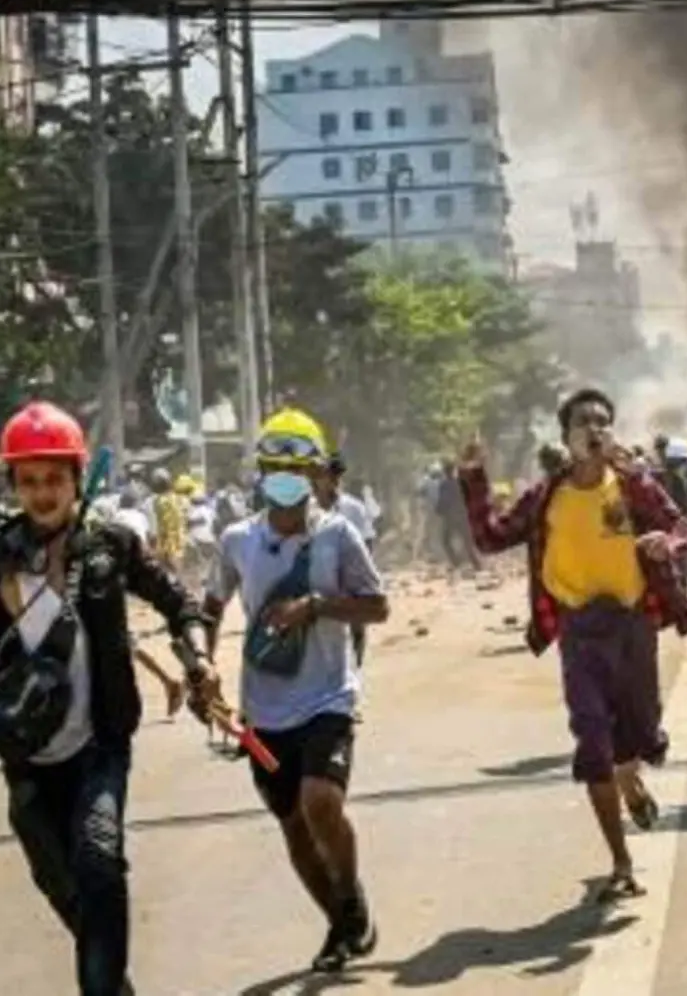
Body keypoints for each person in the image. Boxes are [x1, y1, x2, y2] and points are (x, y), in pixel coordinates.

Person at [0, 401, 218, 996]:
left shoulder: (112, 545)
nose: (43, 493)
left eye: (55, 479)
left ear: (76, 477)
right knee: (61, 882)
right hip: (27, 753)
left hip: (101, 740)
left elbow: (179, 602)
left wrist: (197, 659)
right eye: (29, 481)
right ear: (12, 484)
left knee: (98, 861)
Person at [459, 387, 687, 901]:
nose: (593, 430)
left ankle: (631, 780)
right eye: (581, 423)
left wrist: (669, 544)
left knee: (640, 731)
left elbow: (682, 527)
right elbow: (489, 537)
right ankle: (621, 863)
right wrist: (473, 478)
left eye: (602, 421)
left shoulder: (634, 486)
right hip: (579, 633)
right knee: (592, 742)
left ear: (612, 432)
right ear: (566, 438)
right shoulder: (545, 495)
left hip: (633, 625)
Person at [205, 408, 389, 974]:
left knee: (320, 802)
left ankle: (350, 892)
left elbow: (377, 604)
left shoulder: (338, 533)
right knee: (292, 821)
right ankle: (340, 922)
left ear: (314, 472)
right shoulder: (237, 540)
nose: (283, 476)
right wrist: (200, 664)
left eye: (295, 466)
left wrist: (316, 605)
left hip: (328, 697)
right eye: (273, 466)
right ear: (258, 472)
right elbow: (210, 606)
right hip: (262, 712)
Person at [316, 452, 378, 667]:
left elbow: (368, 541)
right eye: (327, 477)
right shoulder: (305, 510)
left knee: (357, 626)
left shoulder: (354, 508)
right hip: (319, 575)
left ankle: (355, 667)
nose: (331, 483)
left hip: (349, 575)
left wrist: (365, 576)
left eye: (336, 478)